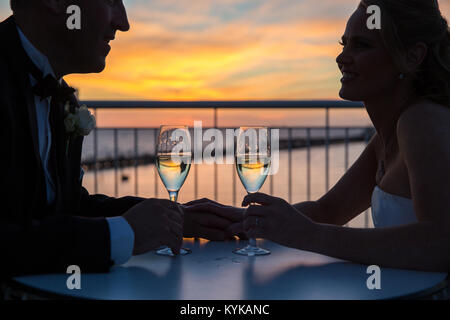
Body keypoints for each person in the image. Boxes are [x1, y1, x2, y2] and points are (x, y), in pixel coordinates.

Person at [186, 0, 450, 272]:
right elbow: (329, 211)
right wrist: (245, 218)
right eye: (343, 44)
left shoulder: (423, 121)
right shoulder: (389, 135)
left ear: (412, 56)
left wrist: (310, 235)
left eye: (362, 45)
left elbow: (441, 243)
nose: (342, 57)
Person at [0, 0, 241, 279]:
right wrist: (121, 235)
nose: (123, 22)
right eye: (111, 1)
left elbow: (64, 209)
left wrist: (170, 218)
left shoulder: (57, 95)